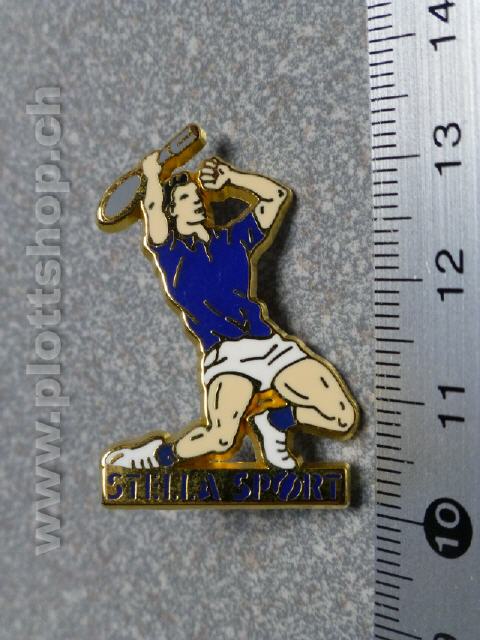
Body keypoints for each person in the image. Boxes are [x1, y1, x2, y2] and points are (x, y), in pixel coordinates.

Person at [105, 153, 359, 470]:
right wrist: (152, 176)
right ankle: (155, 456)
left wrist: (231, 178)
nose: (197, 200)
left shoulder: (233, 240)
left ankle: (274, 422)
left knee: (341, 416)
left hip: (270, 344)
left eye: (197, 195)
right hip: (226, 355)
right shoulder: (171, 252)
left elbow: (276, 195)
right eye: (185, 198)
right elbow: (153, 208)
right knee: (222, 438)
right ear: (172, 211)